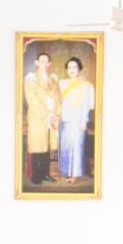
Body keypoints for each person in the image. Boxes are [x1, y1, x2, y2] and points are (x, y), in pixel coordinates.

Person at [23, 48, 59, 187]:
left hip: (50, 118)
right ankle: (36, 176)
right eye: (42, 61)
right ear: (37, 62)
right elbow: (31, 99)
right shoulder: (31, 79)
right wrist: (46, 111)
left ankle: (45, 174)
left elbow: (56, 98)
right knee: (37, 145)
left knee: (46, 146)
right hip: (38, 117)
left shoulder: (52, 80)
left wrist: (56, 113)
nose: (44, 64)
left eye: (47, 62)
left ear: (49, 64)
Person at [56, 56, 94, 182]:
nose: (72, 70)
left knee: (76, 147)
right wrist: (58, 115)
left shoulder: (85, 85)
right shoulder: (62, 83)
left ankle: (74, 175)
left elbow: (85, 104)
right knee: (66, 147)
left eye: (75, 67)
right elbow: (58, 101)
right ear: (66, 69)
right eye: (69, 67)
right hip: (64, 120)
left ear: (79, 69)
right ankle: (67, 172)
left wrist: (83, 121)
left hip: (77, 121)